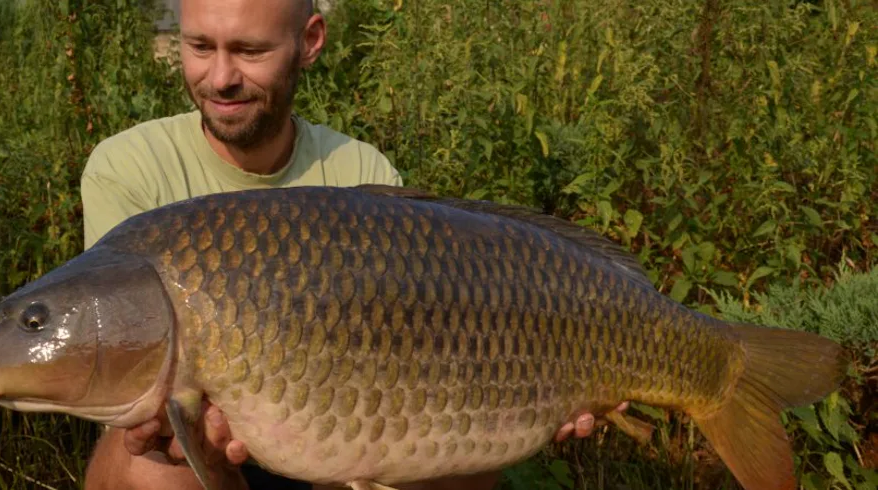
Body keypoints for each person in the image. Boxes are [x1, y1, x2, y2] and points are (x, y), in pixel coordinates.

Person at [79, 0, 629, 488]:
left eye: (250, 50)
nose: (220, 77)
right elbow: (122, 363)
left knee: (458, 472)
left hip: (339, 440)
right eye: (200, 46)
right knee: (146, 464)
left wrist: (550, 385)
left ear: (310, 41)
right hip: (197, 453)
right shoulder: (129, 168)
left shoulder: (360, 170)